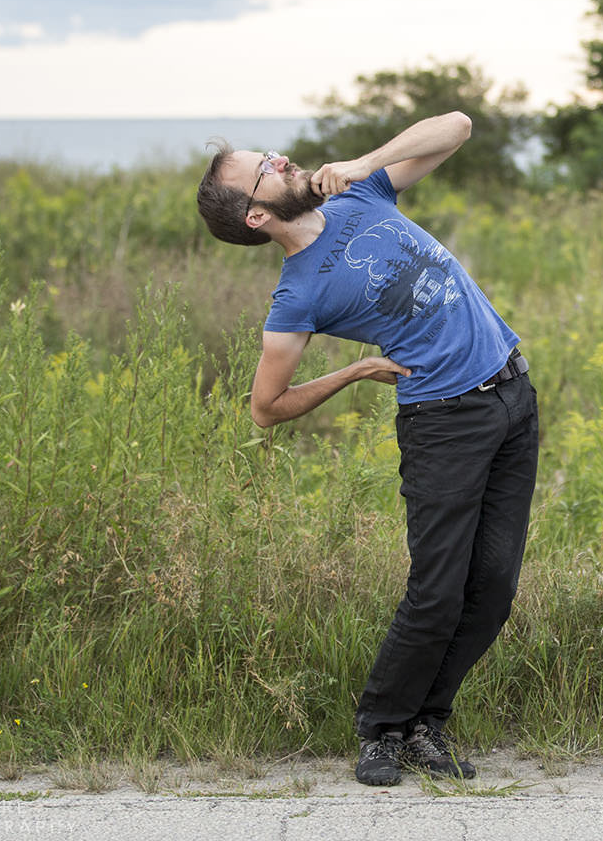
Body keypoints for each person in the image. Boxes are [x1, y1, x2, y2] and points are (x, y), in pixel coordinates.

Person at [195, 112, 538, 787]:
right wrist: (350, 372)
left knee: (493, 589)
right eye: (267, 169)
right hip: (444, 421)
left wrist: (362, 163)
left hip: (513, 397)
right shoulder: (297, 296)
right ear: (256, 217)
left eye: (274, 154)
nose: (285, 161)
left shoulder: (360, 192)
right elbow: (266, 408)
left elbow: (458, 127)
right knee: (438, 593)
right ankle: (384, 729)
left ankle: (424, 725)